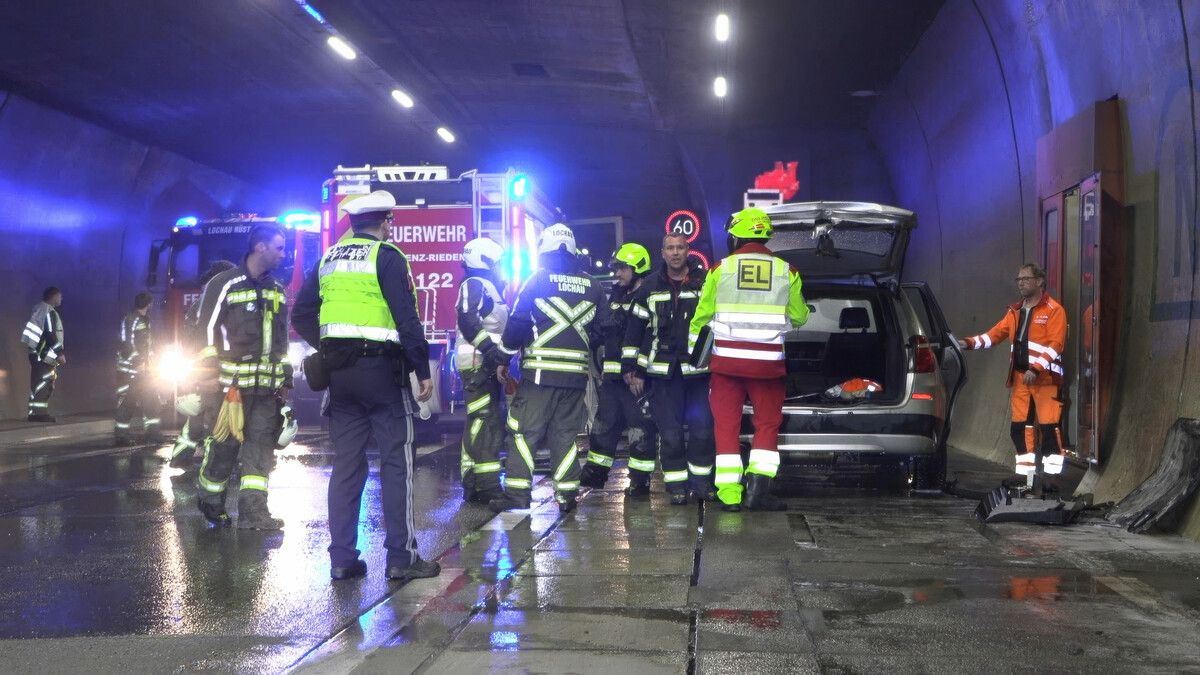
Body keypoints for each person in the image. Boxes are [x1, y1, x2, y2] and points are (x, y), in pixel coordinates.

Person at [292, 189, 439, 583]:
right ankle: (401, 559)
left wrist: (328, 345)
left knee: (346, 466)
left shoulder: (328, 259)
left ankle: (342, 558)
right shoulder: (387, 257)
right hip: (382, 375)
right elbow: (406, 319)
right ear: (385, 222)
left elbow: (302, 312)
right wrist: (421, 369)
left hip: (339, 378)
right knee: (396, 463)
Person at [689, 208, 808, 512]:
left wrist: (696, 356)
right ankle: (759, 491)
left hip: (726, 365)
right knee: (767, 425)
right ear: (765, 235)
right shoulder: (788, 271)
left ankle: (729, 496)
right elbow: (799, 316)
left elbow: (701, 318)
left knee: (726, 426)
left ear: (736, 236)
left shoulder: (720, 269)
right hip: (767, 366)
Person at [488, 223, 608, 514]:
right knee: (565, 436)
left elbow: (516, 323)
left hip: (539, 376)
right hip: (576, 378)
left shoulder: (536, 280)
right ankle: (566, 496)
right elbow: (603, 329)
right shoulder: (593, 285)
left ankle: (517, 495)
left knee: (522, 431)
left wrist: (502, 359)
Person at [191, 224, 292, 530]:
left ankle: (254, 514)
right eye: (279, 247)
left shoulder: (277, 289)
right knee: (224, 447)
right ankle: (211, 502)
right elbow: (205, 329)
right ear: (260, 247)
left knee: (260, 448)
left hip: (265, 390)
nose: (283, 254)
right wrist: (208, 373)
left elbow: (281, 338)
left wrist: (285, 378)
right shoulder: (225, 284)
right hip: (229, 390)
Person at [620, 234, 713, 504]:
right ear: (662, 252)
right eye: (670, 248)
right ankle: (677, 487)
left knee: (703, 430)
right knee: (670, 433)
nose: (675, 253)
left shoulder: (704, 282)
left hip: (698, 373)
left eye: (680, 248)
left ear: (688, 251)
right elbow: (634, 329)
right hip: (662, 374)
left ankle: (702, 484)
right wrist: (631, 367)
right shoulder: (649, 286)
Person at [957, 263, 1068, 481]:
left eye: (1025, 279)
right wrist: (966, 343)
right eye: (1018, 279)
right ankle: (1027, 479)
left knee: (1049, 429)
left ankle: (1051, 481)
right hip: (1021, 380)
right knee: (1019, 429)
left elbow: (1056, 344)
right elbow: (993, 336)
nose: (1021, 283)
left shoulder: (1054, 310)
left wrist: (1036, 369)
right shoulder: (1015, 312)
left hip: (1045, 380)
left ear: (1039, 281)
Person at [579, 243, 658, 496]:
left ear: (638, 268)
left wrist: (638, 372)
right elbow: (606, 334)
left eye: (622, 269)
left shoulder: (647, 296)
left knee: (640, 430)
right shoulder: (616, 296)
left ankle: (640, 482)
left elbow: (649, 337)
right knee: (604, 426)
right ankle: (594, 476)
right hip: (613, 379)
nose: (617, 274)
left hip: (636, 379)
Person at [454, 237, 509, 504]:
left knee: (479, 421)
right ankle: (487, 484)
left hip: (485, 363)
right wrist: (490, 350)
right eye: (497, 263)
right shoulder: (473, 284)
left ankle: (472, 480)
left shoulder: (487, 286)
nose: (500, 268)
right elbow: (466, 318)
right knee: (485, 422)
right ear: (485, 261)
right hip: (478, 363)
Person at [169, 260, 238, 468]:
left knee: (200, 414)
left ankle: (181, 454)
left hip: (198, 367)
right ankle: (212, 466)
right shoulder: (214, 300)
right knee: (213, 417)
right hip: (210, 367)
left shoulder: (200, 301)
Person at [114, 292, 161, 445]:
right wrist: (138, 362)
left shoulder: (144, 320)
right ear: (149, 304)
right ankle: (121, 436)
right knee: (128, 402)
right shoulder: (131, 319)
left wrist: (152, 363)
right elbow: (126, 343)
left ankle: (152, 433)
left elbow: (146, 346)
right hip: (130, 371)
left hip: (144, 371)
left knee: (151, 400)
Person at [22, 287, 64, 422]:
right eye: (60, 296)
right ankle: (40, 414)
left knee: (37, 383)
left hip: (35, 353)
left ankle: (34, 413)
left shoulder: (39, 309)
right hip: (43, 354)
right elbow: (50, 334)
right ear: (54, 296)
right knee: (44, 383)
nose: (61, 299)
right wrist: (59, 353)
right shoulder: (49, 312)